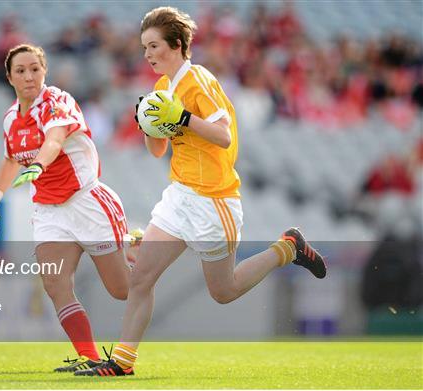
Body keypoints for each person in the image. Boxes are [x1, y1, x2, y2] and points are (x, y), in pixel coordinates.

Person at [75, 7, 326, 377]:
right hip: (180, 196)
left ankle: (287, 247)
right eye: (144, 46)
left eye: (154, 45)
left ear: (176, 45)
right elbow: (158, 150)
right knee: (140, 279)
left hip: (214, 200)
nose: (147, 54)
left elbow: (223, 137)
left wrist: (181, 118)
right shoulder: (162, 89)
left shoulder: (199, 80)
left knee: (223, 291)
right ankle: (121, 364)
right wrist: (148, 123)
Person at [0, 44, 140, 373]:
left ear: (45, 71)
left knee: (122, 290)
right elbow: (11, 158)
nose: (29, 76)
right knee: (54, 283)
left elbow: (53, 140)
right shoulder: (11, 118)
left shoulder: (57, 101)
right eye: (21, 71)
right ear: (9, 77)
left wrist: (38, 165)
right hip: (49, 210)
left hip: (86, 201)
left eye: (35, 69)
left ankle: (145, 252)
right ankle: (89, 356)